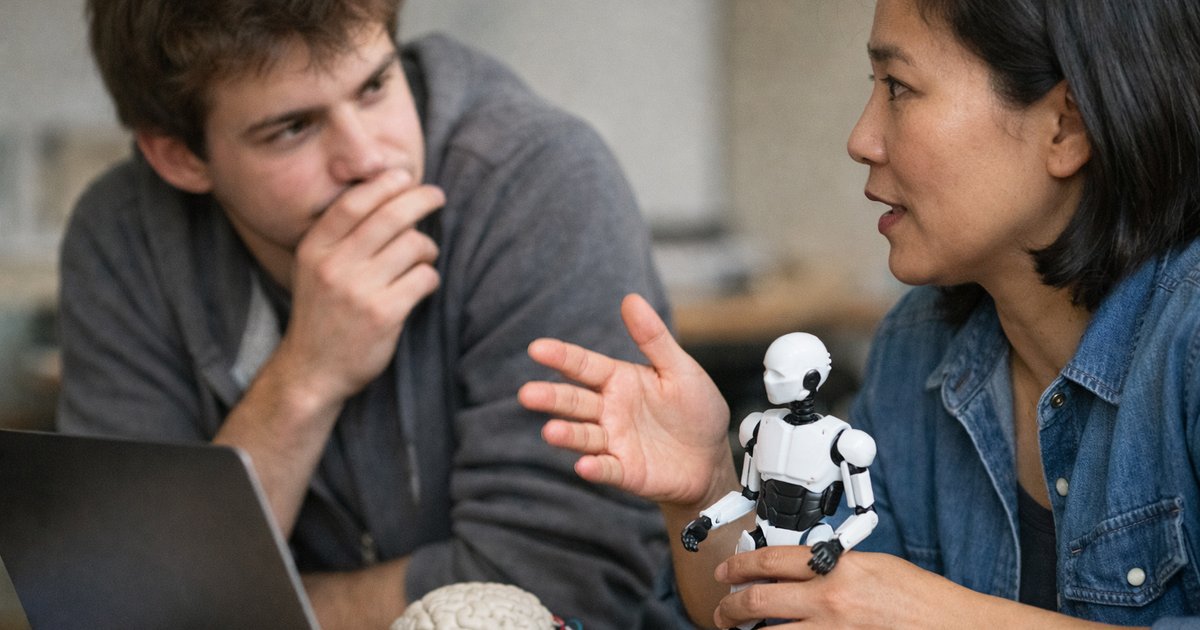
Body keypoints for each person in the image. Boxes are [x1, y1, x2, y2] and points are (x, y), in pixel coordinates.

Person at [519, 0, 1200, 627]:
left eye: (898, 87)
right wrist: (704, 485)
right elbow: (807, 608)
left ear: (1066, 125)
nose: (861, 138)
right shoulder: (918, 345)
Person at [56, 1, 675, 628]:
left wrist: (234, 606)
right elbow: (123, 602)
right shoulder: (122, 238)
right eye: (293, 128)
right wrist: (306, 378)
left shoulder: (539, 178)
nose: (370, 158)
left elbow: (564, 584)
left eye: (375, 85)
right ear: (179, 158)